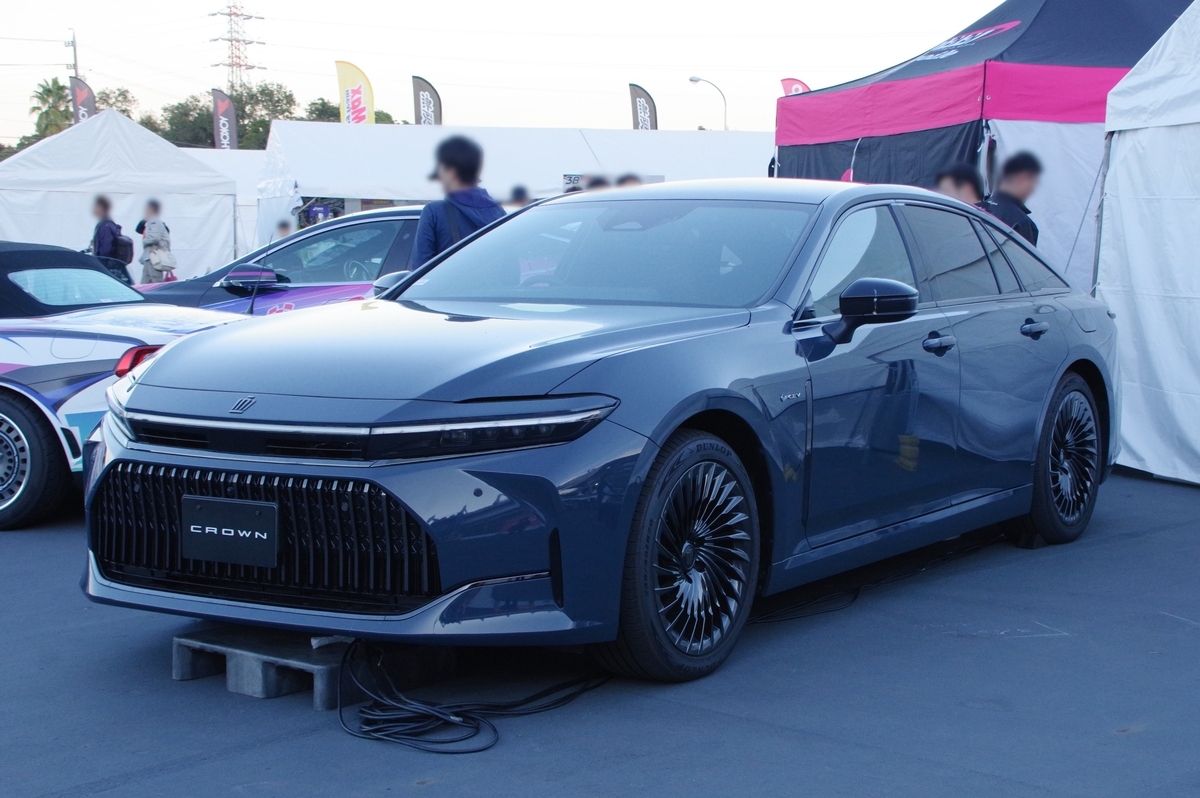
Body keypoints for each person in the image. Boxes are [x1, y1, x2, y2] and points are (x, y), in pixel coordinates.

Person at [413, 136, 506, 265]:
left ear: (451, 171)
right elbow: (511, 265)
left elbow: (420, 267)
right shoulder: (500, 213)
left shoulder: (434, 212)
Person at [982, 152, 1042, 245]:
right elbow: (1022, 255)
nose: (1032, 189)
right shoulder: (1021, 222)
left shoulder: (976, 208)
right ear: (1021, 179)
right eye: (1033, 183)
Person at [137, 199, 175, 284]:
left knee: (155, 282)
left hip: (154, 257)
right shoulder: (152, 221)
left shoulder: (154, 221)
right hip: (150, 257)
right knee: (145, 283)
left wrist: (144, 242)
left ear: (151, 209)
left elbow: (154, 238)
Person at [90, 195, 122, 260]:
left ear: (101, 208)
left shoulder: (105, 226)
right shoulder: (108, 223)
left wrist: (99, 263)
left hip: (104, 264)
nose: (94, 209)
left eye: (95, 207)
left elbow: (105, 251)